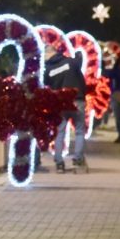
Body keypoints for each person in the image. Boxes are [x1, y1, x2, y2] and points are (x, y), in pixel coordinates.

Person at [44, 44, 88, 173]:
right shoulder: (71, 62)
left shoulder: (47, 70)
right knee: (79, 131)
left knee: (60, 132)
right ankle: (78, 159)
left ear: (48, 54)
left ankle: (59, 163)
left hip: (60, 103)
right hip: (77, 100)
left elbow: (47, 88)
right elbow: (81, 74)